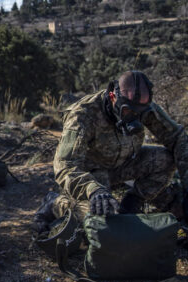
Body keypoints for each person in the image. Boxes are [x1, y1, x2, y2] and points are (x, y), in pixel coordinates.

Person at [33, 70, 188, 232]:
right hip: (92, 174)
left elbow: (177, 138)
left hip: (124, 164)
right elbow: (65, 165)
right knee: (101, 223)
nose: (135, 116)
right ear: (113, 97)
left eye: (139, 113)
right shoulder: (83, 115)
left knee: (166, 160)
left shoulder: (141, 106)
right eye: (128, 111)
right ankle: (55, 203)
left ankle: (132, 204)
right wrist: (93, 190)